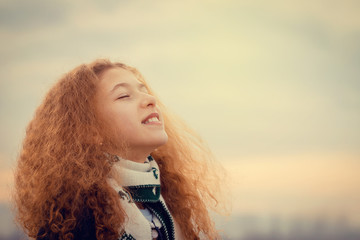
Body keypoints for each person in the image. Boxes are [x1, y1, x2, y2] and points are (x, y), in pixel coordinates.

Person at [13, 59, 224, 240]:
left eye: (145, 91)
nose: (151, 100)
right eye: (124, 96)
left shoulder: (170, 204)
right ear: (90, 130)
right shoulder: (76, 222)